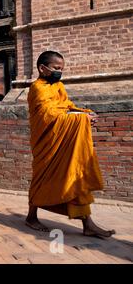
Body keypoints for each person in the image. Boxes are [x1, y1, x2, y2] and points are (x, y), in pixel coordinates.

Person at [26, 50, 115, 238]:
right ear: (42, 69)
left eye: (62, 69)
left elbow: (66, 106)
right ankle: (31, 217)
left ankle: (87, 224)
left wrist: (84, 113)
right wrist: (79, 120)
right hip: (47, 140)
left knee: (76, 174)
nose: (59, 72)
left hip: (64, 136)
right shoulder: (37, 88)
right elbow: (47, 115)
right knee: (42, 176)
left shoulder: (58, 86)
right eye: (56, 68)